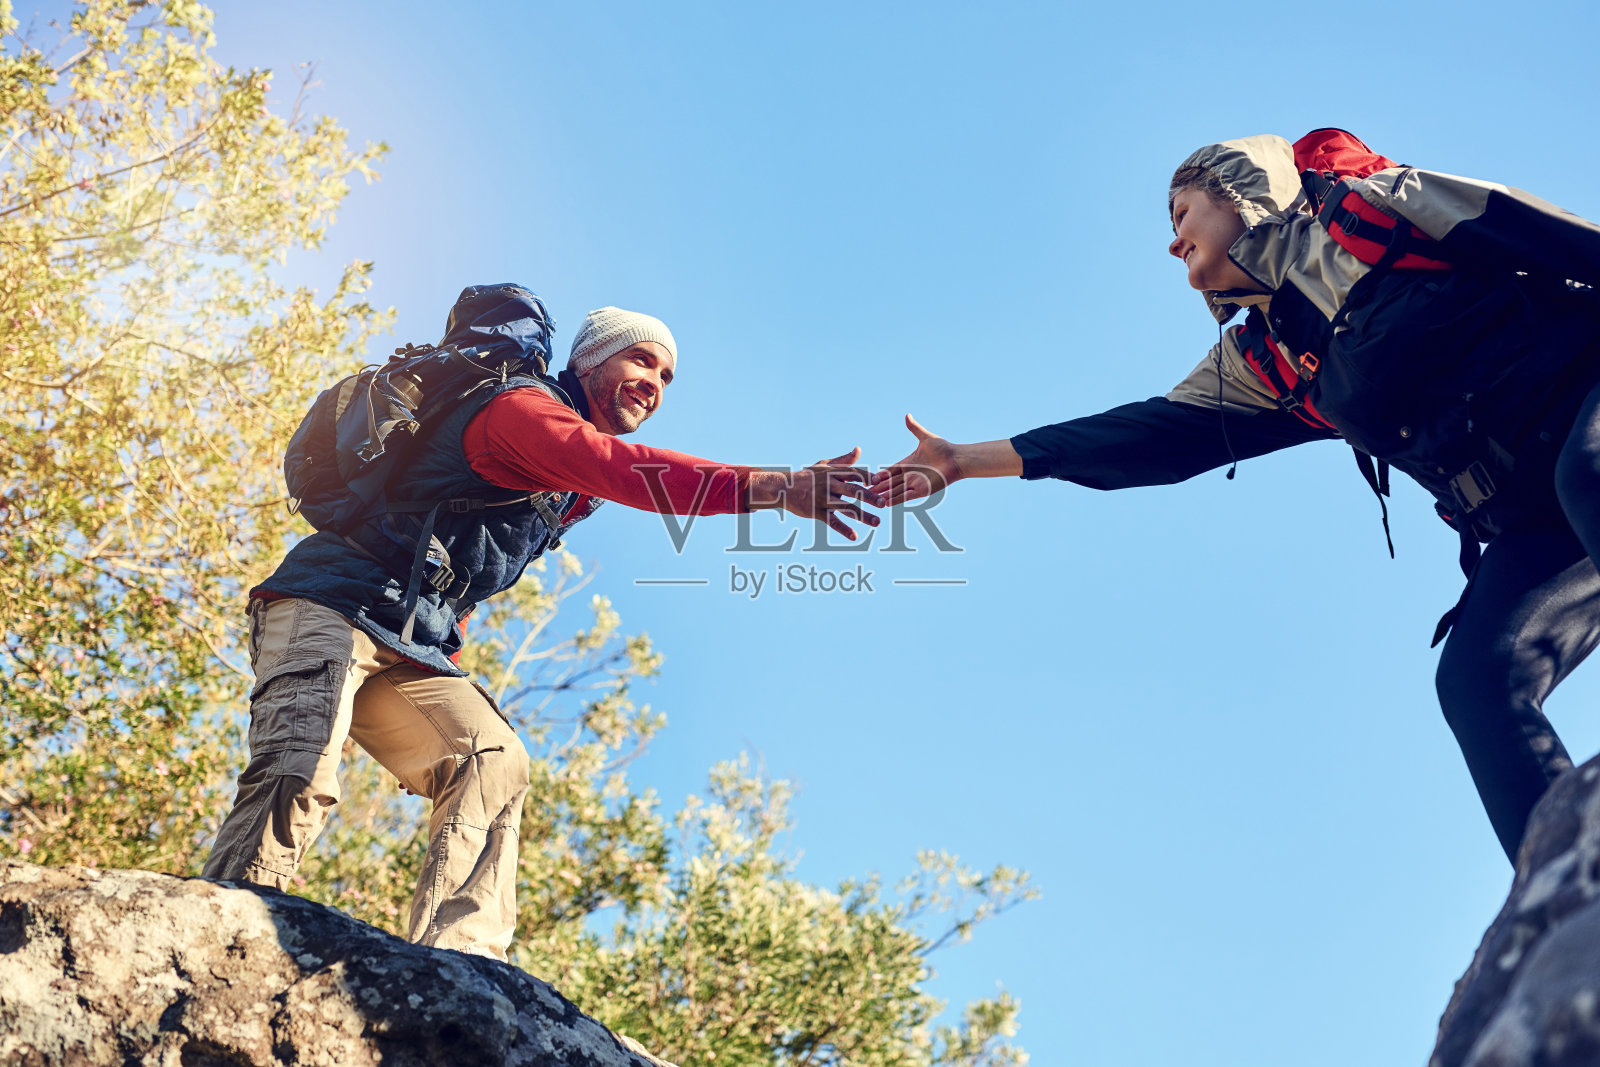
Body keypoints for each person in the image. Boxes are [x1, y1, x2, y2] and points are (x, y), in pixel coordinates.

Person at [872, 132, 1600, 865]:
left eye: (1181, 212)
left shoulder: (1378, 212)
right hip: (1540, 522)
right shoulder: (1267, 362)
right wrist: (965, 462)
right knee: (1477, 677)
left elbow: (1548, 233)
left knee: (1588, 472)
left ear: (1241, 190)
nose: (1171, 243)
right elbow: (1143, 437)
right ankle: (1569, 892)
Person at [203, 284, 880, 959]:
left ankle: (462, 964)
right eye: (639, 362)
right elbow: (626, 468)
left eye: (666, 376)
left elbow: (461, 556)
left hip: (412, 639)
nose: (654, 384)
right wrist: (777, 487)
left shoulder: (565, 481)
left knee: (490, 759)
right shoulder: (519, 410)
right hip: (328, 602)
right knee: (300, 764)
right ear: (589, 364)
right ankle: (230, 935)